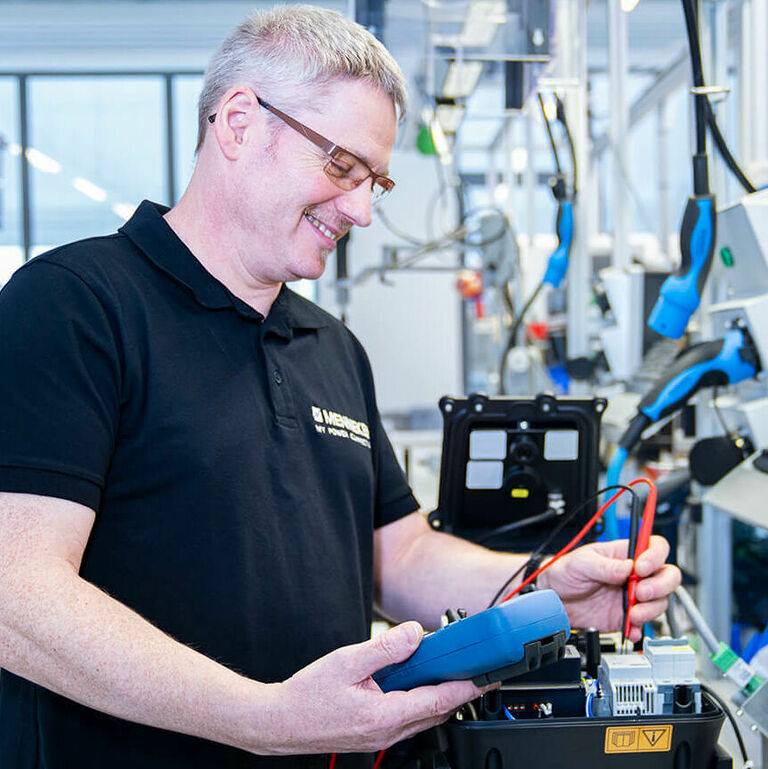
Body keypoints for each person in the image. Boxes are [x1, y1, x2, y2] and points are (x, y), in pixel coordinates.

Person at [0, 5, 680, 768]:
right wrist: (260, 716)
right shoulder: (74, 305)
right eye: (339, 165)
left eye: (375, 181)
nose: (360, 209)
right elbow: (15, 592)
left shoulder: (331, 345)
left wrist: (544, 590)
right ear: (238, 122)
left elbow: (401, 559)